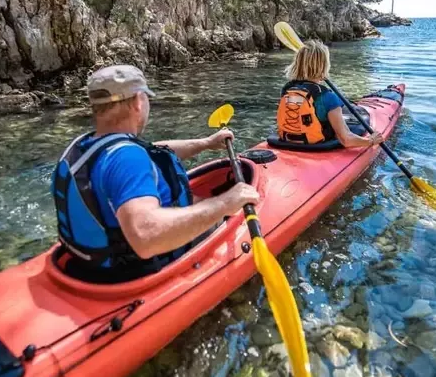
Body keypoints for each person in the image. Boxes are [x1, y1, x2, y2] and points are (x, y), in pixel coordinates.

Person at [51, 65, 260, 282]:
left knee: (201, 200)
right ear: (137, 102)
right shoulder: (127, 159)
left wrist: (205, 144)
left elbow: (152, 150)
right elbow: (146, 237)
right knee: (233, 214)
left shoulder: (85, 145)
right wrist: (226, 203)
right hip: (130, 270)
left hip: (90, 263)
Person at [276, 40, 384, 148]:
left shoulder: (287, 90)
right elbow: (346, 140)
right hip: (315, 146)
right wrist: (370, 141)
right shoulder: (329, 97)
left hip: (288, 142)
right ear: (324, 67)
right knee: (354, 128)